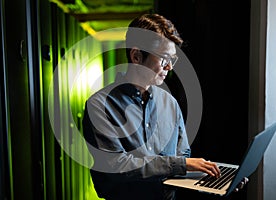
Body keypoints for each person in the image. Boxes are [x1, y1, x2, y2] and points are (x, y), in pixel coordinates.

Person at [82, 13, 247, 200]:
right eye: (164, 59)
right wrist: (182, 164)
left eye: (172, 60)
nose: (169, 67)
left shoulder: (170, 103)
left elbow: (182, 156)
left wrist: (214, 179)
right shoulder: (99, 106)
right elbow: (116, 166)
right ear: (136, 56)